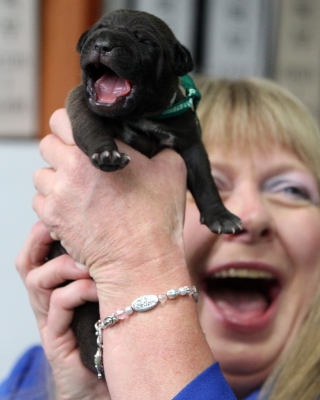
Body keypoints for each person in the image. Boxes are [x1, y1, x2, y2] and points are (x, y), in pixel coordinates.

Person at [2, 76, 320, 399]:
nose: (252, 216)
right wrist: (96, 392)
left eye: (291, 190)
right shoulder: (28, 381)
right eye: (203, 183)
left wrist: (139, 268)